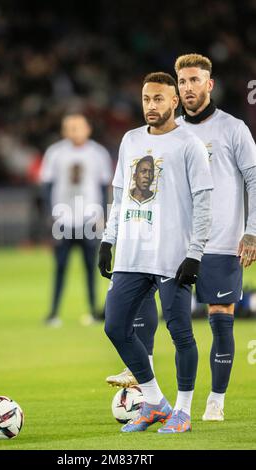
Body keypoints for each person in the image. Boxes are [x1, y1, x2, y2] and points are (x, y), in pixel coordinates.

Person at [107, 53, 256, 422]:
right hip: (168, 245)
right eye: (183, 81)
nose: (189, 87)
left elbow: (254, 179)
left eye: (195, 80)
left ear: (209, 84)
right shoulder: (165, 135)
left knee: (220, 317)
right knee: (153, 311)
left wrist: (251, 231)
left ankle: (214, 400)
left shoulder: (232, 129)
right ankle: (149, 383)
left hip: (221, 241)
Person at [99, 72, 213, 433]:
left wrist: (195, 252)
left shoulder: (188, 144)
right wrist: (107, 239)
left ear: (174, 101)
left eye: (159, 99)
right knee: (116, 327)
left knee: (180, 332)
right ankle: (154, 402)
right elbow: (120, 196)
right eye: (147, 99)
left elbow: (204, 202)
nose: (151, 106)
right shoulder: (130, 140)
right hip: (133, 253)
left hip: (173, 254)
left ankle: (182, 411)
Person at [40, 113, 112, 326]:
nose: (74, 131)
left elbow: (103, 187)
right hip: (63, 218)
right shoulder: (55, 153)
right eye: (69, 127)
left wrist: (104, 215)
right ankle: (53, 313)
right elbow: (46, 185)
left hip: (89, 217)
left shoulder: (98, 153)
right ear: (63, 131)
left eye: (78, 127)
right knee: (60, 267)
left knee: (91, 267)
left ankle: (93, 310)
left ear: (88, 129)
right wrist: (50, 214)